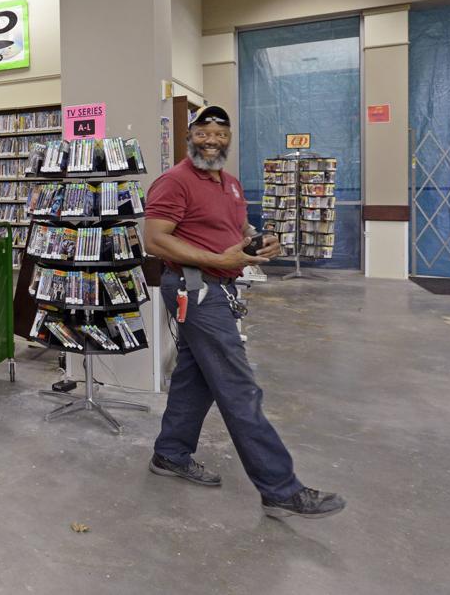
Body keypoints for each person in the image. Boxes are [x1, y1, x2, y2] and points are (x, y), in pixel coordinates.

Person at [143, 105, 345, 519]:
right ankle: (280, 488)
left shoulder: (230, 184)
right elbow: (155, 242)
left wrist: (259, 239)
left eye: (219, 134)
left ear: (228, 139)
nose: (212, 141)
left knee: (194, 377)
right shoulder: (174, 182)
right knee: (239, 387)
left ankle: (170, 454)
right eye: (203, 133)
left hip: (220, 285)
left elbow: (237, 231)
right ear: (190, 137)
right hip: (194, 287)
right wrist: (218, 257)